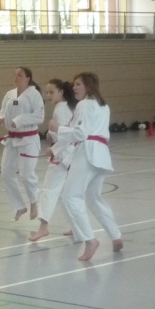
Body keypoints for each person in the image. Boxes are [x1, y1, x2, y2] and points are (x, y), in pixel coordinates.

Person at [58, 72, 124, 262]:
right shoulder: (103, 105)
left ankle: (90, 240)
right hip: (101, 155)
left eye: (78, 84)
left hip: (87, 153)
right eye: (74, 84)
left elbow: (80, 133)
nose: (74, 87)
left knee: (70, 196)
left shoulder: (85, 104)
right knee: (93, 197)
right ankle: (115, 235)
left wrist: (58, 130)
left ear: (88, 86)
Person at [29, 78, 76, 242]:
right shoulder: (67, 107)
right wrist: (51, 135)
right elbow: (65, 131)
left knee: (48, 190)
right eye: (47, 92)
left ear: (61, 92)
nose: (48, 95)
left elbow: (66, 136)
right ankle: (75, 225)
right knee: (65, 194)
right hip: (69, 156)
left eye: (52, 92)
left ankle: (43, 227)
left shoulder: (61, 108)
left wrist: (53, 149)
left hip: (63, 155)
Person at [0, 67, 44, 221]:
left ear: (28, 78)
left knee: (26, 174)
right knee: (6, 173)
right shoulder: (10, 94)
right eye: (15, 75)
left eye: (20, 75)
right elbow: (2, 112)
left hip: (28, 140)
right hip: (11, 139)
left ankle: (34, 202)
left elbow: (39, 116)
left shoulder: (34, 94)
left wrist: (19, 120)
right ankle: (19, 206)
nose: (16, 77)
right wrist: (0, 119)